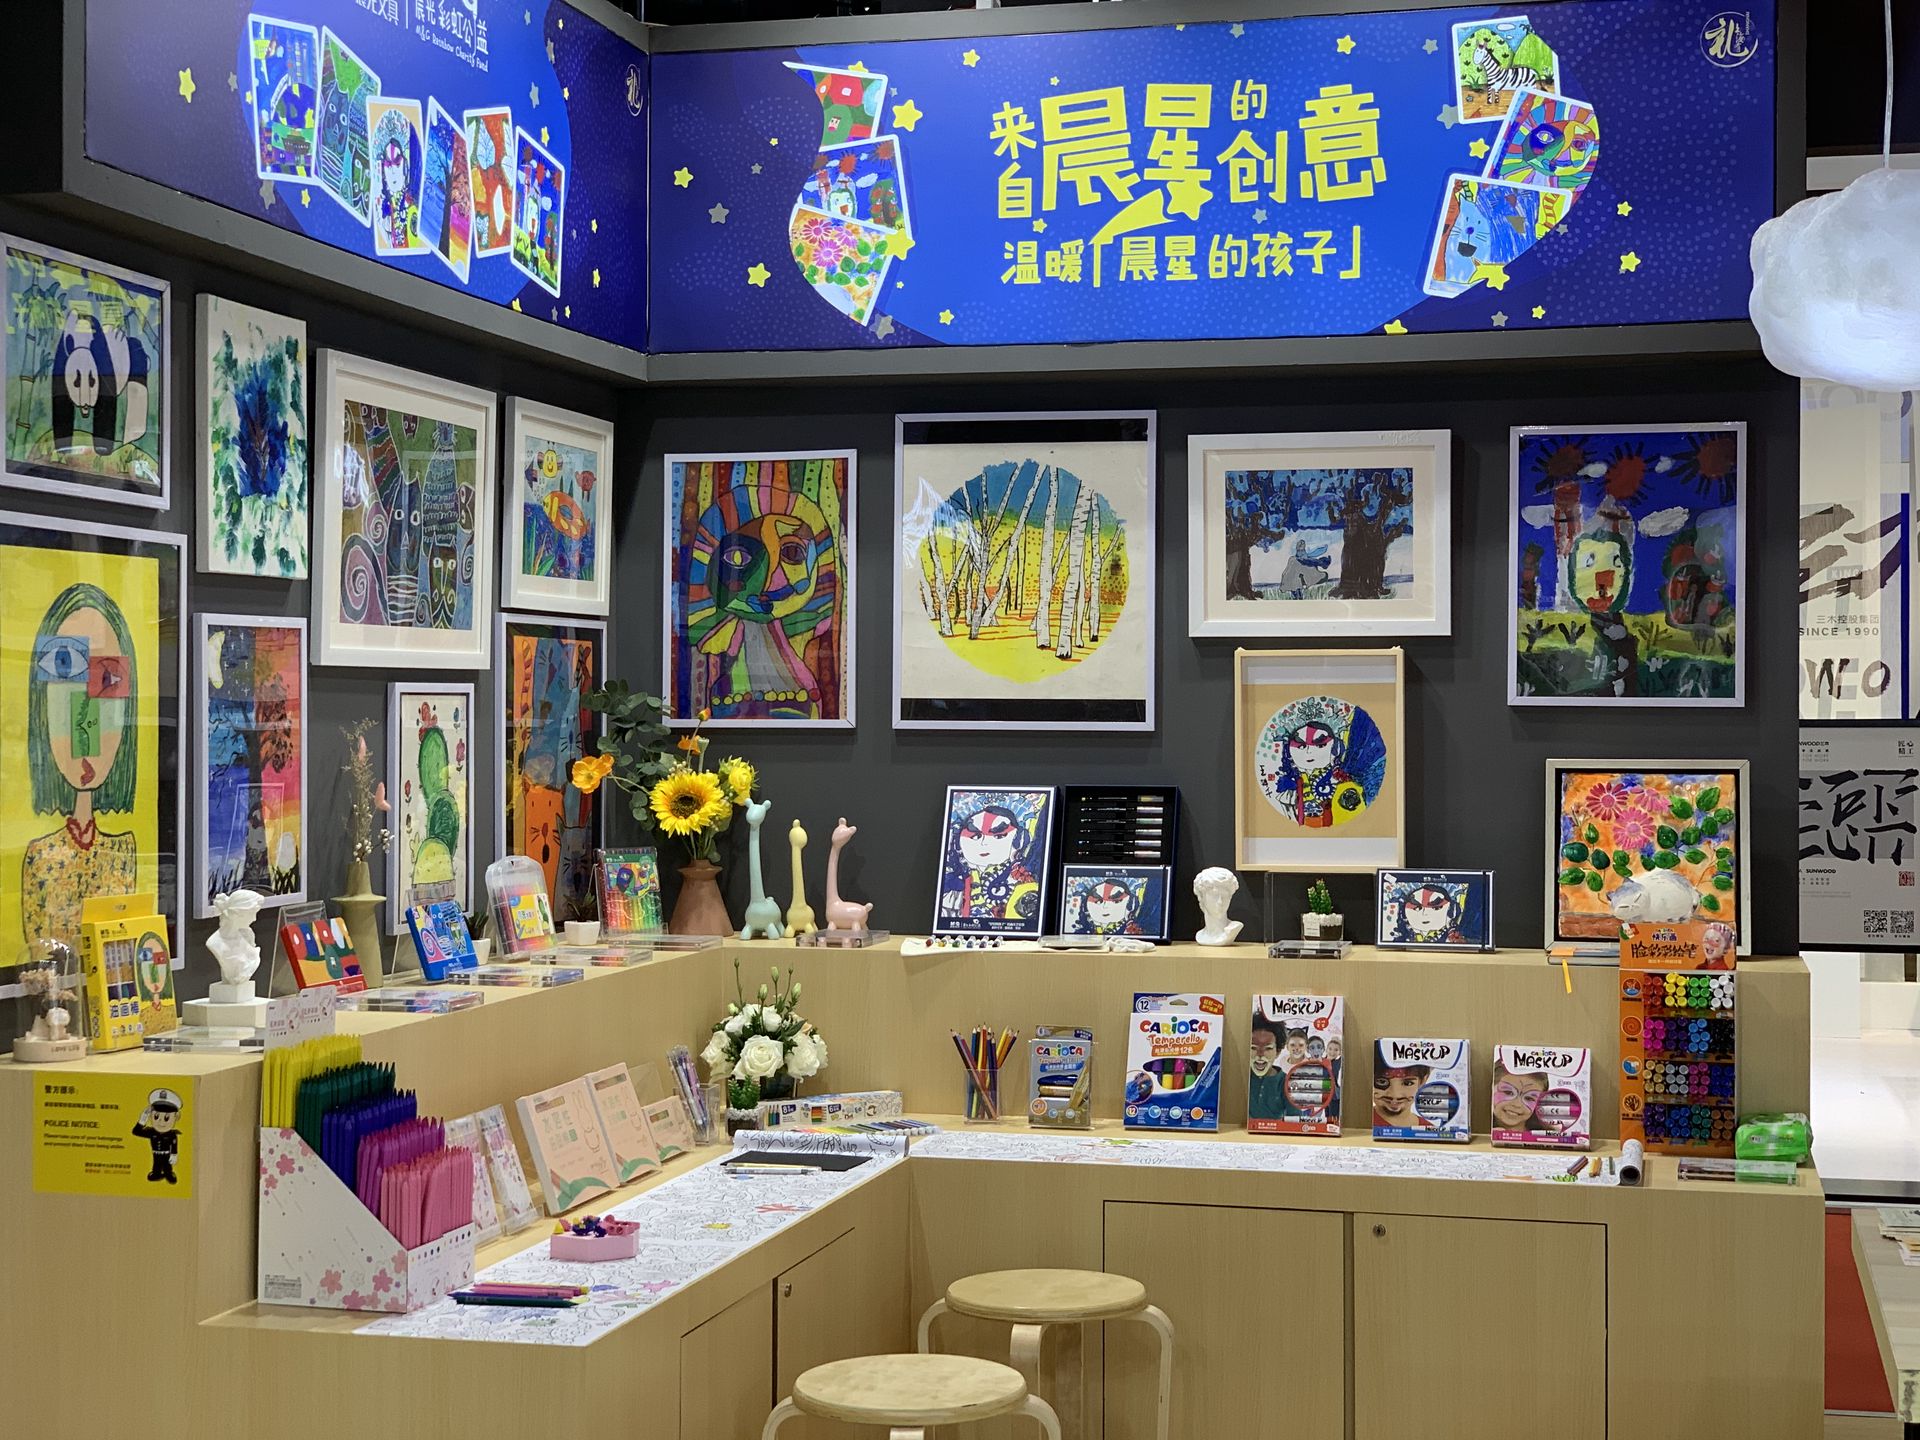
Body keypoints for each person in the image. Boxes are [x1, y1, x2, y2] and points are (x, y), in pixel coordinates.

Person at [21, 583, 140, 946]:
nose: (86, 722)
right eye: (64, 666)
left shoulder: (125, 851)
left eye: (109, 678)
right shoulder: (39, 857)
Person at [940, 802, 1040, 924]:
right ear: (958, 842)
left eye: (999, 836)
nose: (984, 843)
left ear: (1019, 840)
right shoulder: (952, 885)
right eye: (975, 836)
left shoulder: (1023, 880)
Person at [131, 1087, 182, 1184]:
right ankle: (157, 1174)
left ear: (176, 1117)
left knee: (167, 1167)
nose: (161, 1122)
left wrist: (174, 1154)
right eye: (156, 1116)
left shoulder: (171, 1134)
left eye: (167, 1118)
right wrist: (142, 1121)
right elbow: (136, 1132)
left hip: (166, 1154)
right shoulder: (151, 1132)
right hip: (156, 1154)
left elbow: (174, 1143)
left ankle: (168, 1174)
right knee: (156, 1166)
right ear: (151, 1116)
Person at [1491, 1061, 1550, 1133]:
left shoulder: (1548, 1135)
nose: (1517, 1104)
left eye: (1529, 1098)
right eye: (1508, 1092)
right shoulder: (1481, 1131)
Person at [1372, 1060, 1432, 1130]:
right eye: (1382, 1081)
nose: (1395, 1095)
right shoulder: (1365, 1122)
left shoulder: (1428, 1129)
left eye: (1408, 1083)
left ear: (1423, 1081)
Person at [1248, 1023, 1287, 1122]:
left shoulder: (1286, 1082)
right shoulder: (1240, 1077)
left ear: (1277, 1052)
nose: (1260, 1055)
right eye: (1253, 1048)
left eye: (1268, 1048)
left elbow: (1295, 1120)